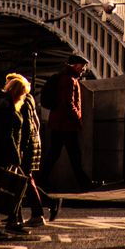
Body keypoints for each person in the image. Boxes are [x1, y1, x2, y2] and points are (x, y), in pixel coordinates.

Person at [5, 73, 61, 226]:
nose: (7, 88)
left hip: (26, 146)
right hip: (31, 144)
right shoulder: (27, 99)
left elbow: (25, 126)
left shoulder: (22, 101)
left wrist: (20, 148)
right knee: (23, 179)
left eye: (10, 85)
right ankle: (16, 214)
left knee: (24, 180)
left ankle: (36, 213)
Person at [38, 55, 99, 192]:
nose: (84, 69)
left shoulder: (65, 77)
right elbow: (68, 103)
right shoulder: (69, 80)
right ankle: (84, 183)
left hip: (59, 123)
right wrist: (77, 119)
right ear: (75, 66)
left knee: (55, 154)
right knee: (74, 155)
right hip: (66, 124)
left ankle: (42, 181)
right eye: (82, 66)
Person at [0, 75, 29, 238]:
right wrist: (15, 155)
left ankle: (12, 222)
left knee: (12, 186)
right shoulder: (6, 107)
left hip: (0, 152)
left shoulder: (3, 104)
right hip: (3, 154)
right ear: (18, 92)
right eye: (23, 93)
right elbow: (6, 134)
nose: (24, 97)